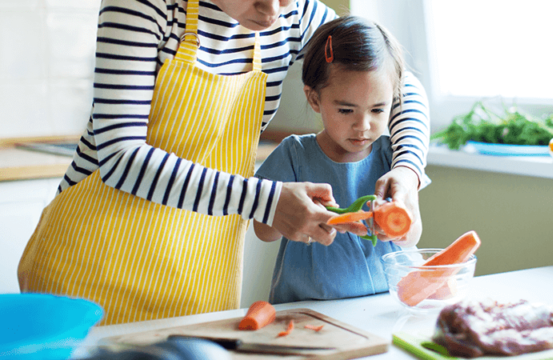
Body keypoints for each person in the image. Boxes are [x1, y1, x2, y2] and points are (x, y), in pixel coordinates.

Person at [17, 0, 429, 325]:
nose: (272, 10)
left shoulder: (294, 11)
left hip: (200, 272)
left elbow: (400, 79)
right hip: (92, 268)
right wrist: (266, 201)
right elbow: (122, 158)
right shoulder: (144, 6)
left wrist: (407, 170)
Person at [253, 16, 429, 304]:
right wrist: (296, 212)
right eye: (346, 111)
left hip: (386, 303)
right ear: (314, 99)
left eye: (377, 110)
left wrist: (397, 228)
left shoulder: (393, 156)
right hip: (308, 308)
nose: (363, 125)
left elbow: (413, 234)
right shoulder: (294, 154)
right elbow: (263, 231)